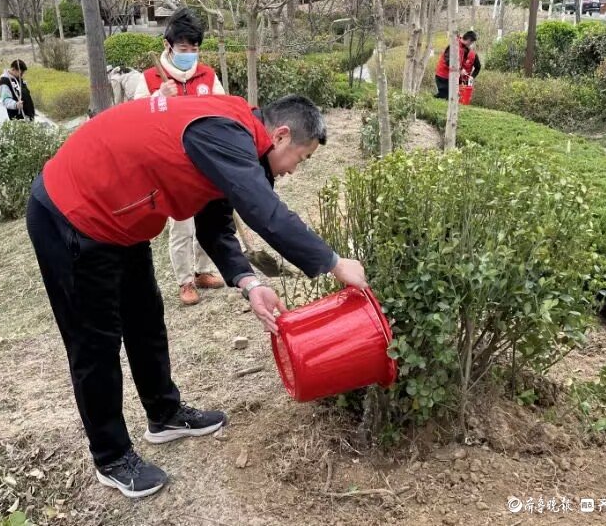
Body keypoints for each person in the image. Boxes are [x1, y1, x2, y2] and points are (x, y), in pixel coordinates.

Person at [26, 93, 367, 499]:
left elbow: (214, 222)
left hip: (122, 219)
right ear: (281, 135)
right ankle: (111, 457)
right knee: (94, 344)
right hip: (71, 215)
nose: (295, 170)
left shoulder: (233, 137)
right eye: (302, 158)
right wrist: (333, 262)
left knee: (145, 320)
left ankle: (163, 414)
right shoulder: (224, 134)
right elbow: (266, 212)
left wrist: (249, 283)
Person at [134, 7, 226, 306]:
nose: (190, 54)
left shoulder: (207, 75)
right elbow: (133, 121)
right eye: (184, 49)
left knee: (207, 220)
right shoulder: (149, 80)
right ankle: (185, 281)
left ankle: (202, 271)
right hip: (172, 166)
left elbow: (223, 112)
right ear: (168, 45)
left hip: (205, 164)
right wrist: (159, 98)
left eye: (195, 48)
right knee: (182, 224)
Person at [434, 30, 481, 99]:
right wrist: (460, 70)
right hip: (443, 76)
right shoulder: (454, 46)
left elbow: (461, 62)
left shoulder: (465, 48)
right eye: (472, 43)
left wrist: (466, 73)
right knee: (445, 96)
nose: (471, 45)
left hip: (452, 77)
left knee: (450, 97)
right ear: (469, 40)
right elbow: (448, 61)